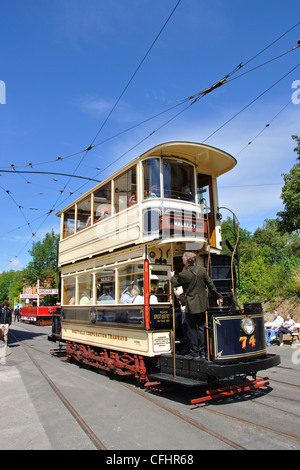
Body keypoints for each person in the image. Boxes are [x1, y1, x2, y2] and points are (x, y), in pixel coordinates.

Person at [170, 252, 223, 360]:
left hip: (191, 306)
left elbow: (175, 283)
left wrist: (171, 276)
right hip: (203, 304)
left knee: (192, 329)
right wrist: (218, 296)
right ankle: (203, 352)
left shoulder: (183, 274)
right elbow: (211, 285)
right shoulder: (202, 270)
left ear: (185, 261)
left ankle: (194, 352)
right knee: (202, 328)